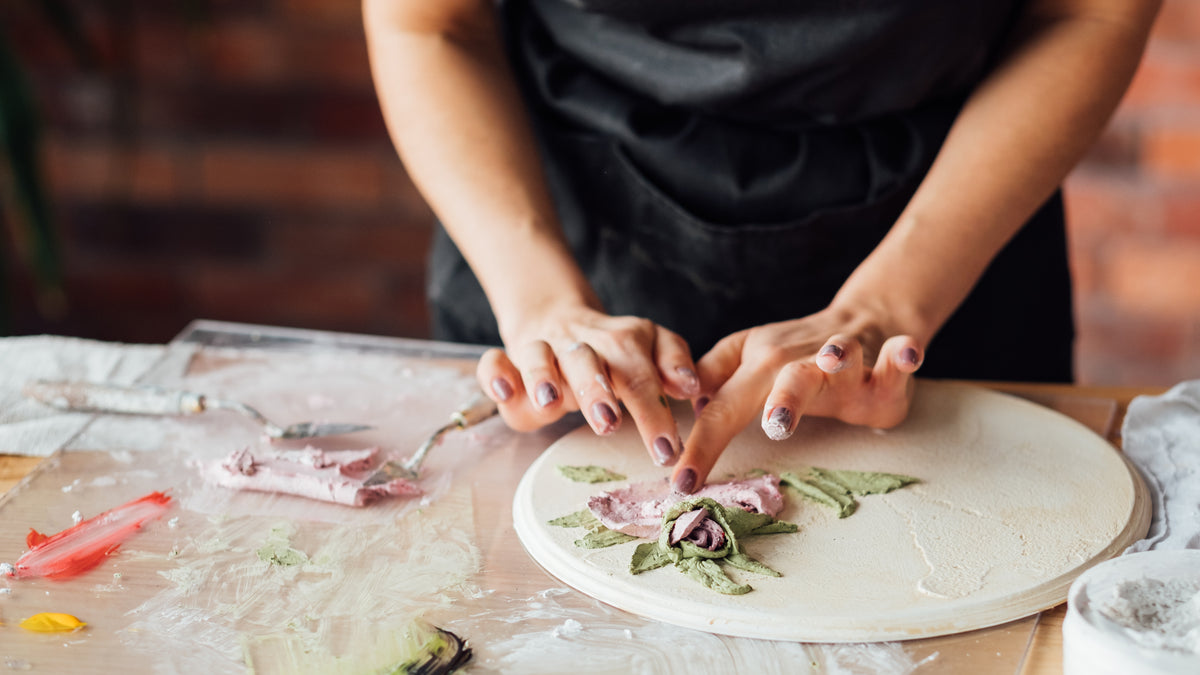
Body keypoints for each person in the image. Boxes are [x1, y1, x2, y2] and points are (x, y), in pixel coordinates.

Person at [364, 0, 1160, 494]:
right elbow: (430, 21)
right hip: (553, 210)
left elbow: (1088, 11)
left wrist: (886, 304)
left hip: (951, 220)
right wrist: (541, 299)